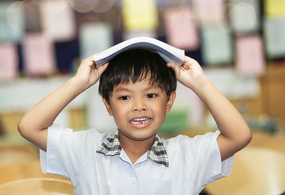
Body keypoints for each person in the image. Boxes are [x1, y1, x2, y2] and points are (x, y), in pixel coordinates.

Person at [18, 46, 252, 194]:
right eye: (124, 97)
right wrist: (78, 83)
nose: (139, 106)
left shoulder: (186, 154)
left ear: (169, 101)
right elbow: (29, 127)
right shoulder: (86, 151)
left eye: (151, 95)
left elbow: (239, 135)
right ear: (108, 105)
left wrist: (200, 83)